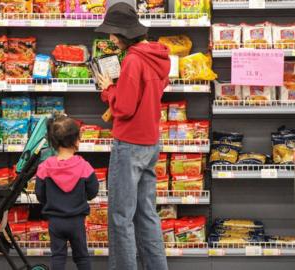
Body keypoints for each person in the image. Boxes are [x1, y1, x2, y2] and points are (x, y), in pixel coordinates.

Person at [95, 3, 171, 270]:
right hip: (151, 142)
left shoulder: (133, 60)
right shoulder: (159, 56)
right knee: (147, 214)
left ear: (122, 33)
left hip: (129, 145)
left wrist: (108, 90)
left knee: (120, 217)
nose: (110, 39)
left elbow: (125, 108)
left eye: (112, 34)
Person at [35, 115, 99, 270]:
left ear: (53, 142)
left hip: (55, 221)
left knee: (57, 256)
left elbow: (39, 195)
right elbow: (93, 191)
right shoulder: (84, 166)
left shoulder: (44, 167)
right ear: (77, 140)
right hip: (76, 220)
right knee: (82, 256)